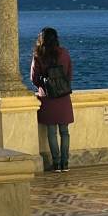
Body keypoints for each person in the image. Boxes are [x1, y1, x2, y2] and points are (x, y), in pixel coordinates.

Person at [31, 27, 73, 173]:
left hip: (48, 98)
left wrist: (43, 87)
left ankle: (56, 164)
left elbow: (34, 78)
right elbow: (69, 74)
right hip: (63, 96)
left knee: (51, 132)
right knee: (64, 132)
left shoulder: (39, 55)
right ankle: (65, 164)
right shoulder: (64, 53)